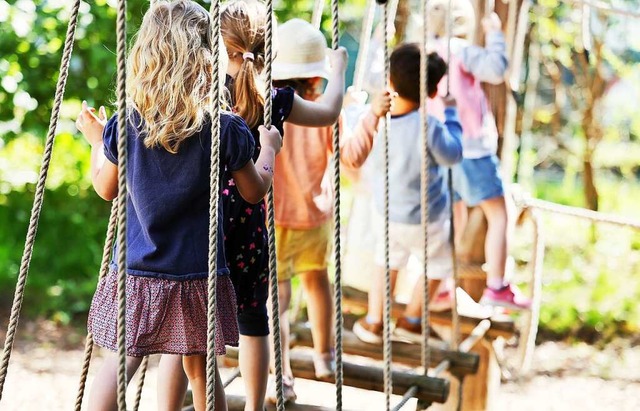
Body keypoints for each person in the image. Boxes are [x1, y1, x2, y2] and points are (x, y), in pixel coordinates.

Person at [74, 1, 282, 410]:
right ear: (208, 59)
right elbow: (254, 191)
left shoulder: (126, 124)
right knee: (201, 368)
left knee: (121, 361)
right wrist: (269, 149)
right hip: (195, 275)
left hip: (137, 271)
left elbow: (105, 187)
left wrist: (98, 143)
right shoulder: (224, 127)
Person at [218, 2, 347, 410]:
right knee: (256, 317)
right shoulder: (275, 99)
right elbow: (328, 112)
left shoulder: (203, 92)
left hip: (207, 227)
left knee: (194, 325)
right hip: (253, 226)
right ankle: (259, 402)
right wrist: (339, 68)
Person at [266, 18, 384, 404]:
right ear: (317, 75)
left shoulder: (266, 108)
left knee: (277, 300)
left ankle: (280, 376)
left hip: (272, 218)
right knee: (318, 284)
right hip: (314, 218)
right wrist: (371, 117)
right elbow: (350, 159)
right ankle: (324, 356)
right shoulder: (325, 112)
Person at [352, 44, 463, 344]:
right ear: (431, 94)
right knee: (438, 266)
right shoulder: (429, 125)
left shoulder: (374, 120)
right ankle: (412, 319)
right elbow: (452, 156)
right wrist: (452, 116)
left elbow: (355, 140)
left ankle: (375, 320)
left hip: (387, 215)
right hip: (428, 220)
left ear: (389, 80)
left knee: (386, 263)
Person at [427, 0, 530, 309]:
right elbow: (497, 70)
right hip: (471, 148)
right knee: (501, 214)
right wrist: (496, 34)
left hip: (440, 148)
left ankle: (443, 284)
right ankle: (497, 286)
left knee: (453, 218)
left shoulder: (427, 53)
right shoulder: (460, 51)